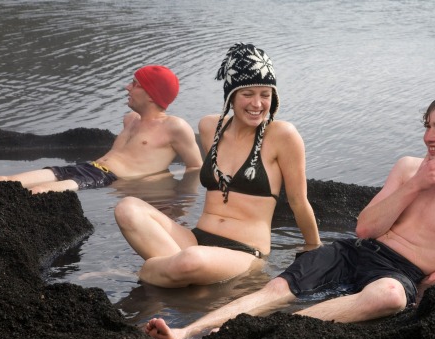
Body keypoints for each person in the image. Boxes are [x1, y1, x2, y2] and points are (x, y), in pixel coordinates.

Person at [144, 90, 435, 339]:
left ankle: (265, 333)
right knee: (275, 290)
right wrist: (415, 184)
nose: (428, 137)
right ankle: (186, 332)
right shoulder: (408, 169)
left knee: (390, 297)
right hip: (358, 249)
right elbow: (366, 227)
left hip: (401, 273)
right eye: (428, 125)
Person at [114, 43, 321, 288]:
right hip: (195, 239)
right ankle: (174, 274)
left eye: (265, 94)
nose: (257, 104)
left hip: (244, 252)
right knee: (127, 208)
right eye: (248, 94)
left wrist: (315, 249)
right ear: (231, 95)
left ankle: (151, 273)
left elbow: (299, 202)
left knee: (189, 261)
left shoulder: (282, 135)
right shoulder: (210, 127)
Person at [0, 65, 203, 194]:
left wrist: (157, 179)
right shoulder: (131, 120)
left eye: (135, 84)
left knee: (41, 192)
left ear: (150, 94)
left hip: (105, 180)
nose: (127, 87)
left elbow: (195, 167)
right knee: (1, 182)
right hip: (86, 167)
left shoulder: (175, 127)